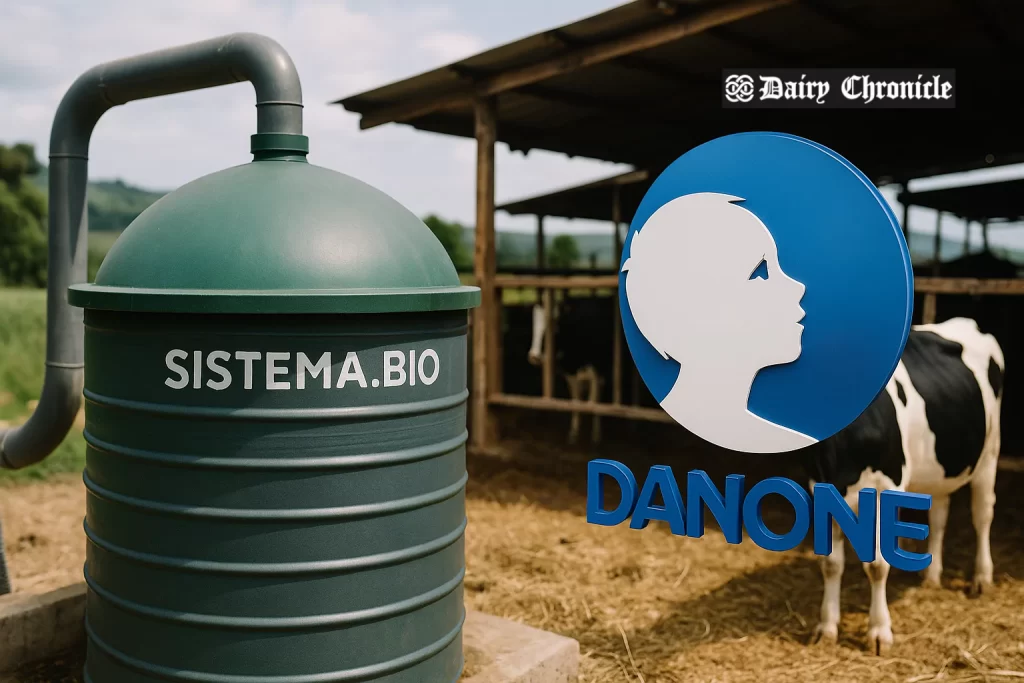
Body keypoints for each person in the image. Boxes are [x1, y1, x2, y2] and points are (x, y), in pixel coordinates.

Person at [621, 192, 816, 453]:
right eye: (760, 273)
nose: (798, 287)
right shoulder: (790, 439)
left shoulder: (790, 438)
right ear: (698, 305)